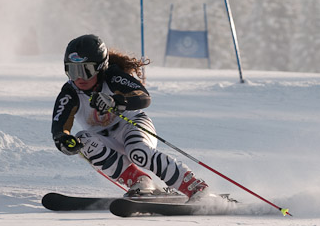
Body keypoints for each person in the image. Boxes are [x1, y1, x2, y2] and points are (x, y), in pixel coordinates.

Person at [51, 34, 208, 200]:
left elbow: (143, 97)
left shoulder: (113, 77)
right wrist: (64, 142)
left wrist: (116, 102)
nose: (79, 78)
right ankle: (139, 181)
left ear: (100, 67)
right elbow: (59, 128)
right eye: (72, 71)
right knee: (83, 140)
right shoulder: (70, 93)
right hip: (105, 139)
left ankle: (194, 186)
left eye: (86, 70)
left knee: (138, 152)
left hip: (132, 125)